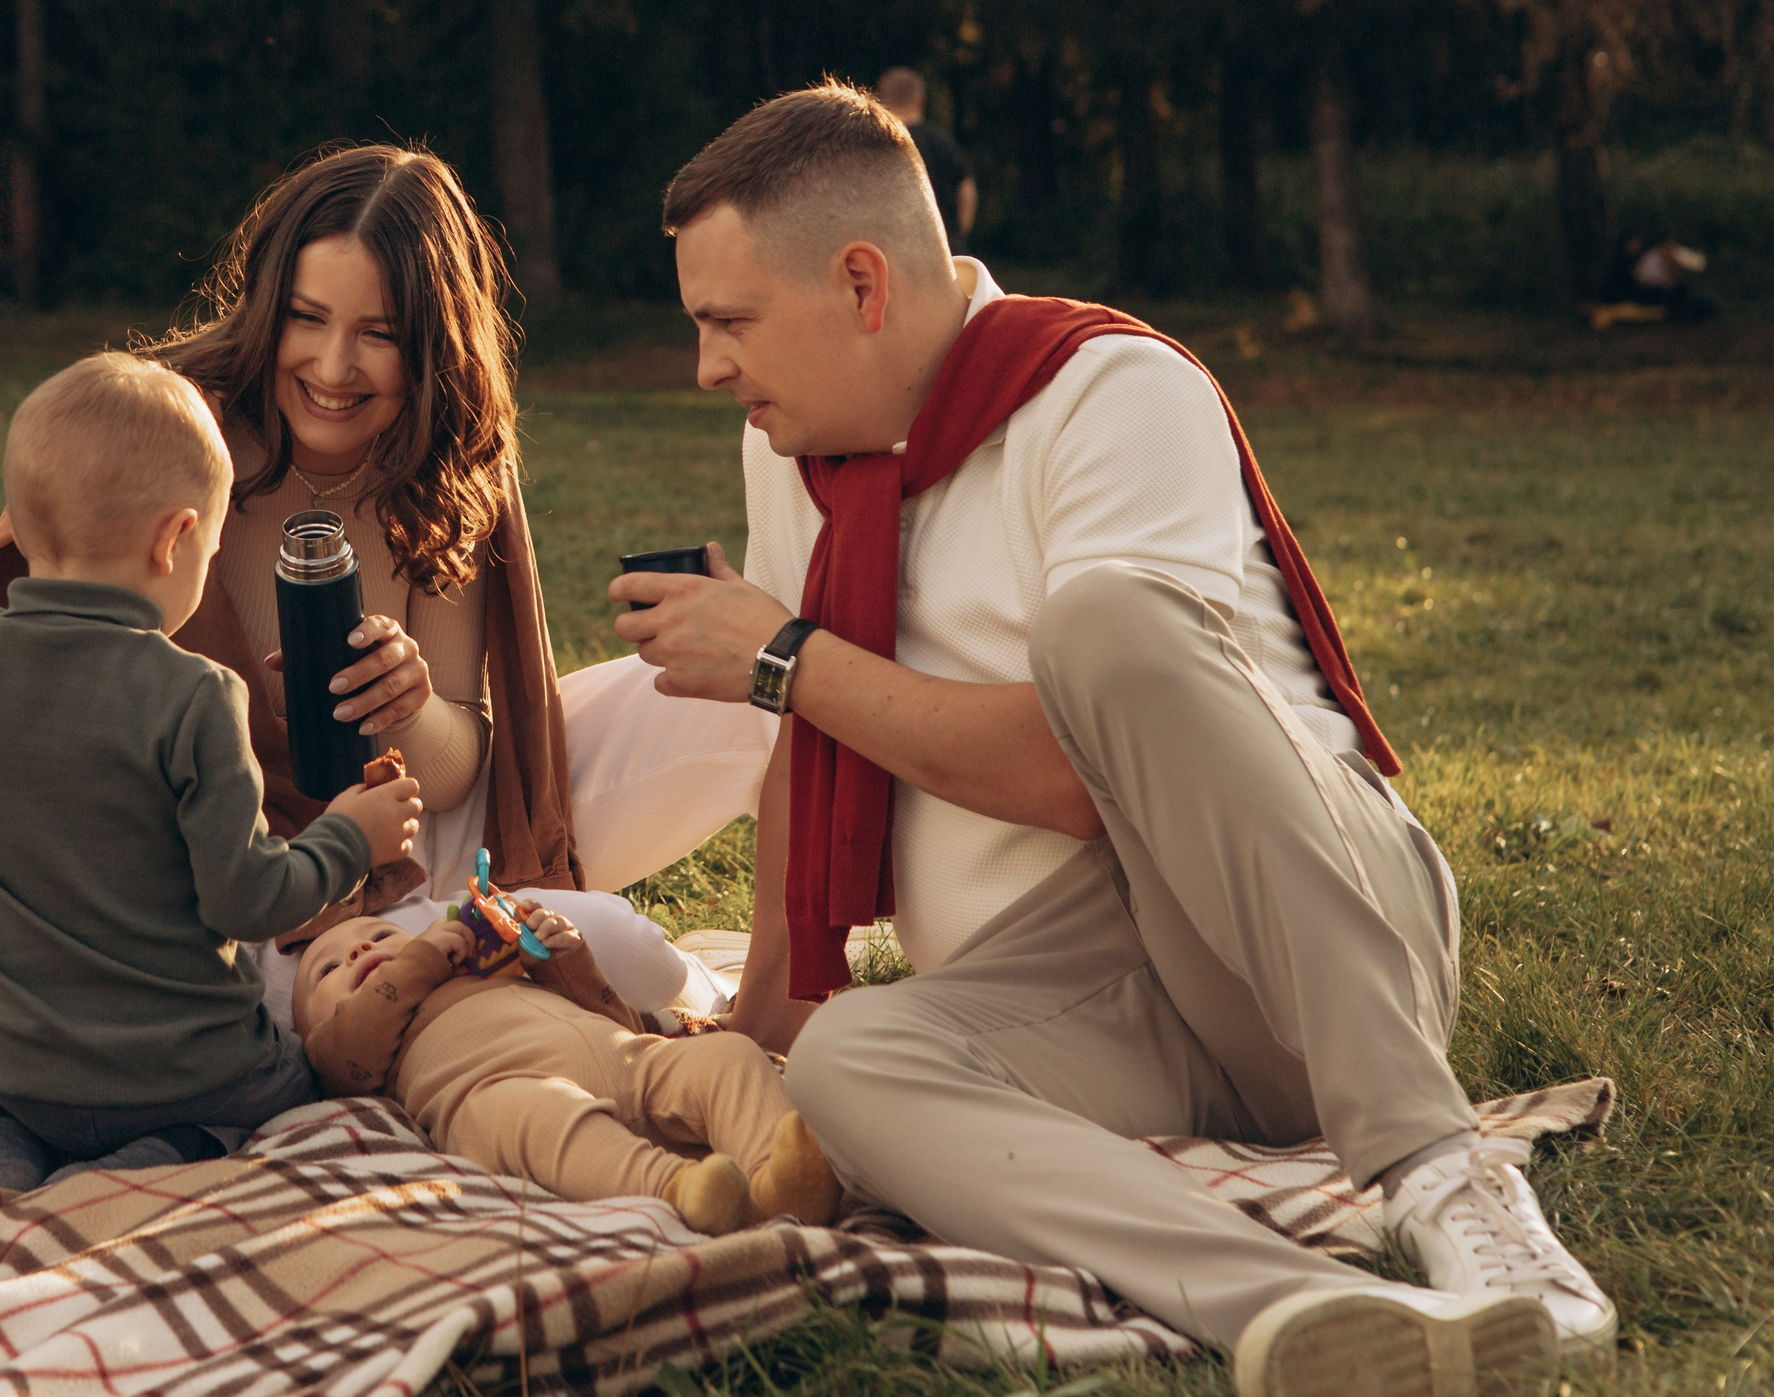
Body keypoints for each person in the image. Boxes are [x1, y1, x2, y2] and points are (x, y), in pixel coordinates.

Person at [613, 82, 1613, 1389]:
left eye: (729, 322)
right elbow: (813, 739)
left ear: (862, 284)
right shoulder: (797, 455)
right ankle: (1300, 1309)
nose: (709, 367)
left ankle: (1441, 1172)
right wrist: (763, 1010)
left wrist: (784, 658)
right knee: (853, 1057)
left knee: (1105, 625)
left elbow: (1077, 771)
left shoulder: (1106, 388)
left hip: (1296, 951)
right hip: (1089, 997)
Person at [0, 146, 775, 1027]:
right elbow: (28, 683)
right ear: (266, 307)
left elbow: (459, 769)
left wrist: (409, 704)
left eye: (380, 334)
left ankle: (740, 989)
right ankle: (466, 961)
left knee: (753, 694)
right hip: (232, 872)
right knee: (619, 950)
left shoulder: (449, 455)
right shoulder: (163, 433)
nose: (332, 366)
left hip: (414, 827)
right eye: (306, 319)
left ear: (432, 345)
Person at [0, 309, 424, 1188]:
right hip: (189, 1076)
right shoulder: (195, 697)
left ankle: (4, 1166)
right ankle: (162, 1161)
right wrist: (350, 837)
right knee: (297, 1085)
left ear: (23, 531)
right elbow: (248, 898)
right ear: (175, 537)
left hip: (28, 1075)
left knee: (17, 1108)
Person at [294, 900, 841, 1235]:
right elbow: (352, 1045)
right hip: (509, 1089)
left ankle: (781, 1176)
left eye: (383, 935)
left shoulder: (491, 974)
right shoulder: (341, 1050)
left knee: (728, 1055)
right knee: (539, 1119)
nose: (359, 947)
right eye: (325, 970)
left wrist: (563, 956)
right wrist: (418, 957)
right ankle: (683, 1191)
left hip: (624, 1056)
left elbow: (616, 1015)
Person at [876, 67, 975, 242]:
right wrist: (958, 233)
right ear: (920, 101)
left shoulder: (879, 143)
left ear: (882, 102)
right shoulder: (941, 140)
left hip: (895, 245)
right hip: (945, 241)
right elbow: (966, 188)